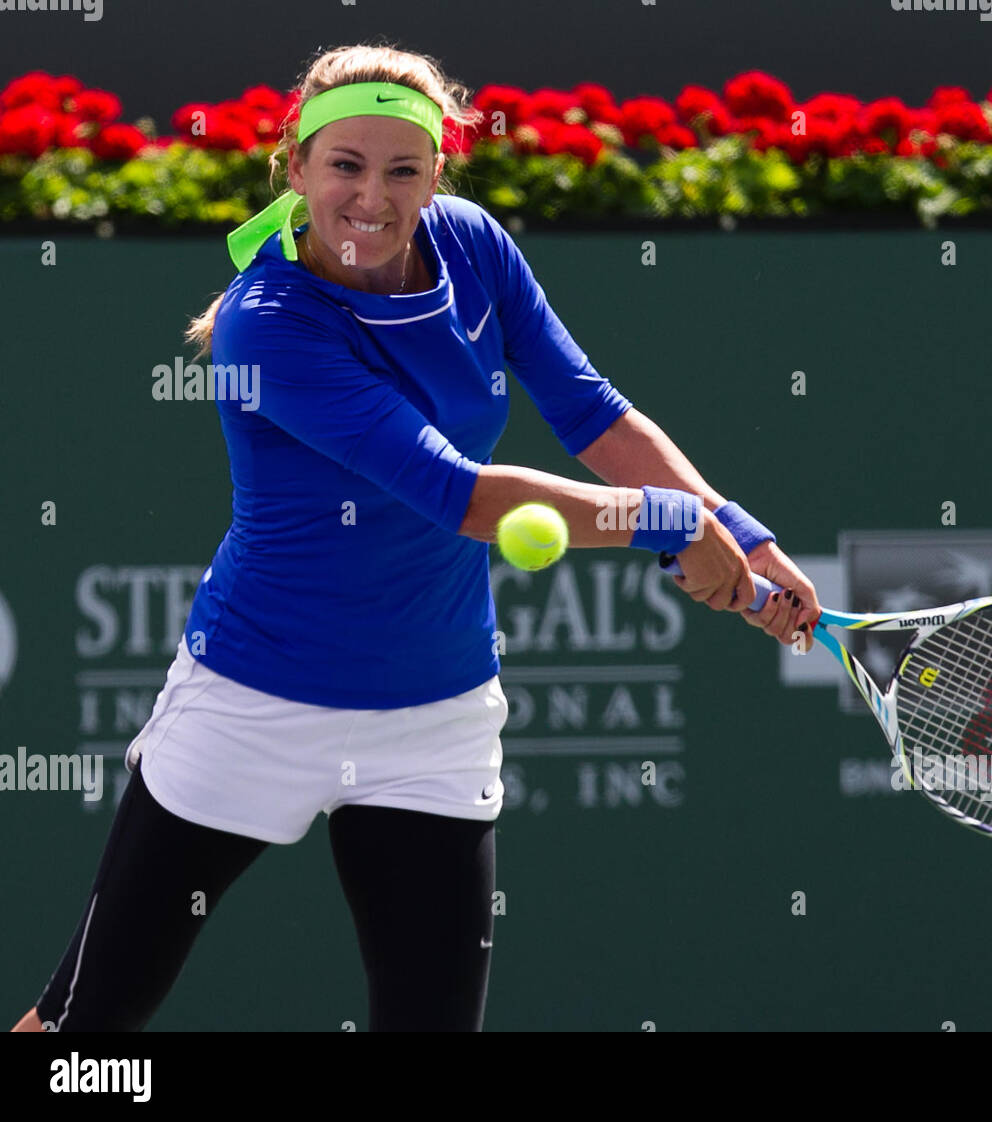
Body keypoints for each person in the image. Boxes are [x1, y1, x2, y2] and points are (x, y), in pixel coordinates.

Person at [9, 42, 821, 1033]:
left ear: (439, 172)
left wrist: (738, 529)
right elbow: (459, 495)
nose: (371, 197)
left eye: (403, 170)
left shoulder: (474, 246)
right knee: (87, 1032)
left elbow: (590, 411)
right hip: (252, 704)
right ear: (296, 167)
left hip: (433, 717)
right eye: (345, 165)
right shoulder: (269, 322)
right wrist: (671, 523)